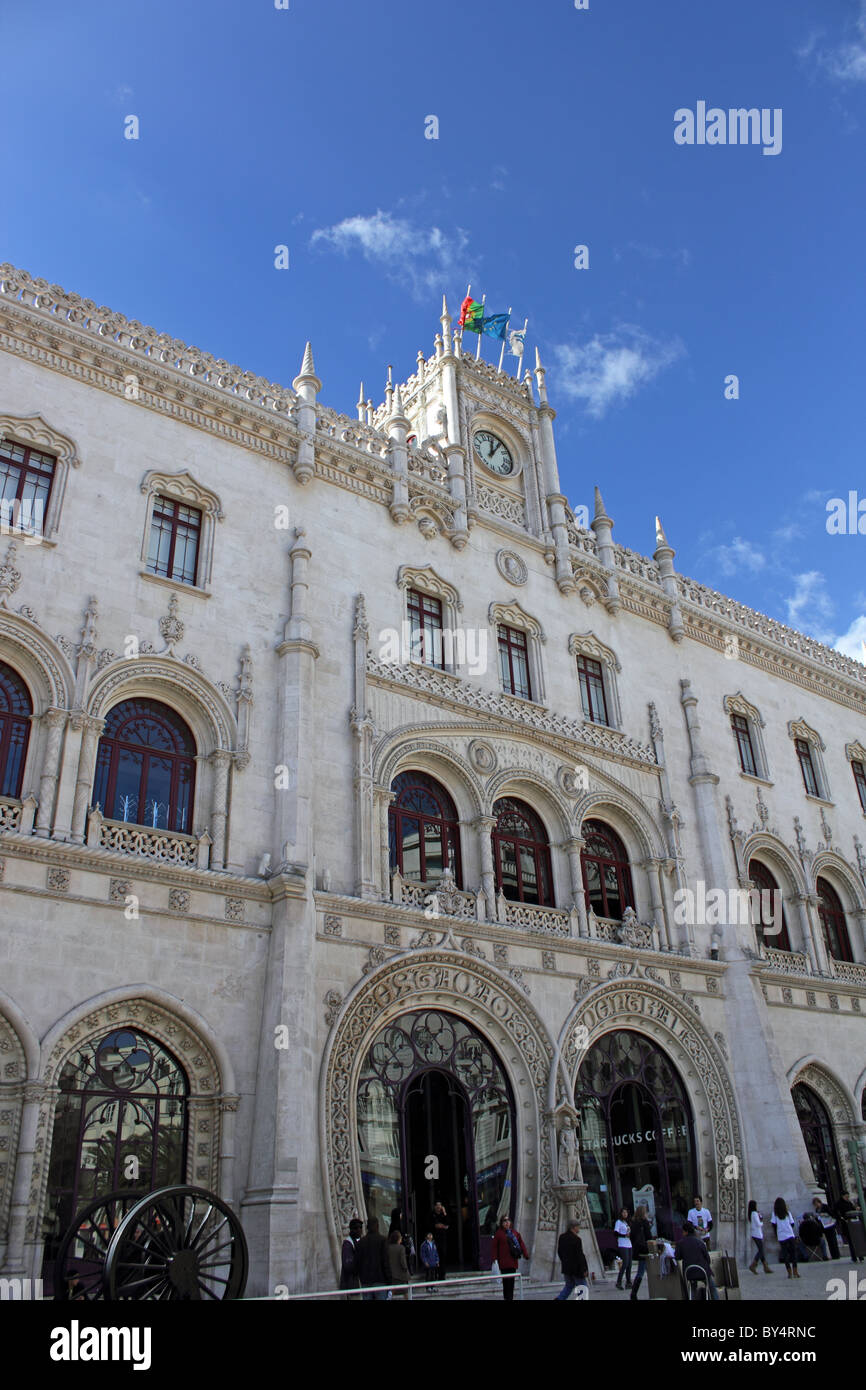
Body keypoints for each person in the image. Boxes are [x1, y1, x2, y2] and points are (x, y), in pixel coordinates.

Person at [675, 1221, 720, 1300]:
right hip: (702, 1271)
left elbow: (677, 1257)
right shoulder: (700, 1242)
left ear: (686, 1232)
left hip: (689, 1272)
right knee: (712, 1287)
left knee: (692, 1286)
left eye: (683, 1231)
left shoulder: (681, 1243)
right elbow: (708, 1259)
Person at [491, 1216, 529, 1302]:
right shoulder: (499, 1234)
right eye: (504, 1221)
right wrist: (494, 1259)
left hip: (512, 1261)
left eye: (508, 1220)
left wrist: (525, 1254)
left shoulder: (514, 1233)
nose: (507, 1222)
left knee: (511, 1281)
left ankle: (510, 1297)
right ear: (501, 1223)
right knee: (506, 1282)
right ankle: (507, 1297)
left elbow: (521, 1243)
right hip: (504, 1262)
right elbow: (494, 1247)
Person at [356, 1216, 391, 1300]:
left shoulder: (361, 1242)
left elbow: (358, 1262)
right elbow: (385, 1262)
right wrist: (389, 1281)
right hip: (380, 1279)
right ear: (377, 1226)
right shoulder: (382, 1240)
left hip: (366, 1280)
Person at [554, 1219, 588, 1300]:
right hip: (577, 1269)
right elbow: (579, 1256)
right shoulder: (577, 1239)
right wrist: (584, 1269)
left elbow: (559, 1252)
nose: (579, 1229)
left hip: (567, 1267)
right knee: (582, 1287)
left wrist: (565, 1261)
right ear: (573, 1227)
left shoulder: (562, 1237)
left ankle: (559, 1299)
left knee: (569, 1286)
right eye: (578, 1227)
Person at [628, 1204, 652, 1301]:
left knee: (640, 1271)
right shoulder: (645, 1222)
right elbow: (648, 1236)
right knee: (641, 1272)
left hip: (638, 1249)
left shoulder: (633, 1223)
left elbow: (632, 1237)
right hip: (645, 1249)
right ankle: (633, 1293)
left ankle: (633, 1293)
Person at [771, 1197, 799, 1279]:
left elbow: (773, 1225)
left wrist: (777, 1233)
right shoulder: (788, 1213)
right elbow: (792, 1223)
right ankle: (795, 1272)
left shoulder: (775, 1214)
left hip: (781, 1236)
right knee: (793, 1254)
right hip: (790, 1234)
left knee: (785, 1255)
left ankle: (789, 1273)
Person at [834, 1192, 863, 1262]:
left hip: (853, 1224)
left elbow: (853, 1209)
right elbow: (835, 1213)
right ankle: (854, 1256)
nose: (847, 1198)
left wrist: (856, 1209)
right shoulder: (839, 1204)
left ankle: (860, 1255)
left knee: (856, 1240)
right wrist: (841, 1218)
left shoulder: (849, 1202)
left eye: (848, 1197)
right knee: (851, 1241)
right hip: (846, 1224)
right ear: (843, 1196)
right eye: (846, 1197)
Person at [747, 1201, 772, 1274]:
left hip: (755, 1234)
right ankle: (753, 1265)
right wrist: (762, 1222)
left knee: (761, 1250)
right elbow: (758, 1223)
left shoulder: (751, 1214)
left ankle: (765, 1267)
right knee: (761, 1250)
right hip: (757, 1234)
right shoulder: (754, 1213)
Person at [339, 1217, 364, 1292]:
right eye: (356, 1228)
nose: (359, 1230)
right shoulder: (348, 1244)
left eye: (360, 1227)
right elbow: (348, 1265)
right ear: (351, 1229)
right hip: (351, 1284)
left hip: (358, 1283)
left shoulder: (360, 1241)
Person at [614, 1206, 633, 1290]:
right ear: (621, 1213)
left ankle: (628, 1282)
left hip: (629, 1244)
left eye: (626, 1212)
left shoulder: (627, 1222)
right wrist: (624, 1235)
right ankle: (619, 1281)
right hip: (622, 1244)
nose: (625, 1214)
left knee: (629, 1264)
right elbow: (615, 1233)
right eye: (623, 1212)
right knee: (625, 1263)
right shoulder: (619, 1222)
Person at [388, 1229, 410, 1298]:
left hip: (391, 1274)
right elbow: (403, 1262)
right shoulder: (401, 1248)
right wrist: (406, 1269)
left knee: (392, 1291)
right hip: (401, 1275)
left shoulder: (388, 1247)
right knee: (405, 1292)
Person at [430, 1202, 449, 1280]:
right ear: (434, 1207)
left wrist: (444, 1212)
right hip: (434, 1239)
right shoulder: (432, 1215)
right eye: (437, 1205)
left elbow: (447, 1224)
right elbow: (430, 1224)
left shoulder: (443, 1215)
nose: (438, 1207)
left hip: (442, 1239)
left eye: (440, 1205)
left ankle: (442, 1275)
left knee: (442, 1256)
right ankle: (434, 1275)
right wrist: (437, 1226)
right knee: (434, 1256)